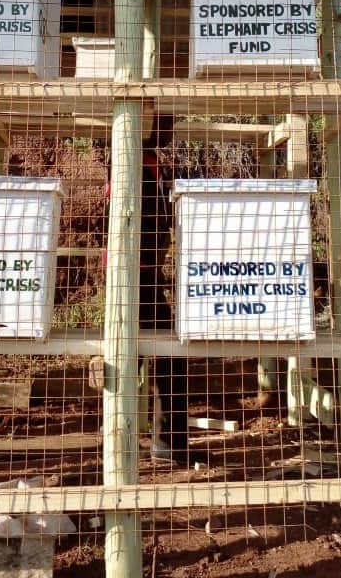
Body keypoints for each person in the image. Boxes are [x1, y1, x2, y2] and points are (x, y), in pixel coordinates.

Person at [105, 114, 190, 466]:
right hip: (136, 272)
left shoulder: (139, 163)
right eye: (164, 128)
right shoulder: (135, 165)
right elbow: (148, 224)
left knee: (134, 353)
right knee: (163, 353)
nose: (168, 134)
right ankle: (161, 440)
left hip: (138, 271)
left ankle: (122, 435)